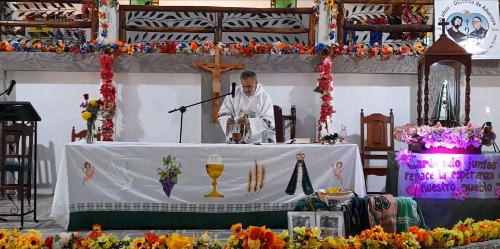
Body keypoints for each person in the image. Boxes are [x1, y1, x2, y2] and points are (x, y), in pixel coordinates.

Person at [218, 70, 276, 143]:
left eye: (249, 86)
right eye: (243, 86)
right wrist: (227, 120)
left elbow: (268, 120)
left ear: (256, 82)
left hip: (258, 140)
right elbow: (224, 112)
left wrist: (249, 122)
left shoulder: (264, 97)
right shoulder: (234, 94)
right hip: (237, 138)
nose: (246, 89)